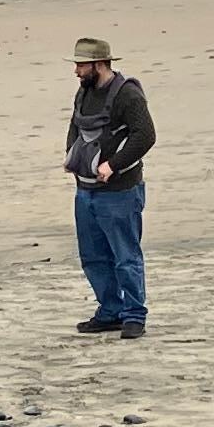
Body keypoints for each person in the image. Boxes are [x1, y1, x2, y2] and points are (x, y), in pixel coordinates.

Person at [63, 34, 154, 338]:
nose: (76, 71)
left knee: (125, 256)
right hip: (85, 190)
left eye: (81, 65)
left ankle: (134, 315)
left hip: (120, 192)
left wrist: (112, 165)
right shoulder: (84, 91)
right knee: (93, 255)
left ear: (99, 64)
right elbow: (76, 124)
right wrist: (70, 156)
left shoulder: (128, 95)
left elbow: (145, 135)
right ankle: (110, 310)